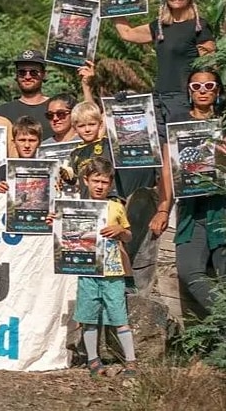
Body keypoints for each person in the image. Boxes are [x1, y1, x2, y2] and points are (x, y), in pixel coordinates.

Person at [95, 0, 216, 137]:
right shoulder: (160, 25)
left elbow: (209, 68)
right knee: (163, 152)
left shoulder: (199, 27)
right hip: (158, 98)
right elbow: (127, 33)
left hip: (183, 99)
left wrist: (203, 106)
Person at [49, 156, 137, 377]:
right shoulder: (76, 205)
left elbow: (128, 235)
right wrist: (55, 220)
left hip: (113, 271)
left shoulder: (116, 207)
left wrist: (120, 231)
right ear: (86, 181)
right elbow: (64, 229)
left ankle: (131, 361)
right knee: (88, 317)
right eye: (96, 181)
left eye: (105, 182)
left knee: (119, 316)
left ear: (110, 184)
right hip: (87, 271)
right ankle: (93, 360)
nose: (100, 186)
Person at [163, 67, 226, 313]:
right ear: (189, 91)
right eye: (196, 86)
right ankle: (222, 319)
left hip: (222, 208)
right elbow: (169, 167)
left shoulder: (224, 120)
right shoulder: (178, 121)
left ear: (218, 90)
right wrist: (161, 208)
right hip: (191, 210)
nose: (203, 91)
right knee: (189, 271)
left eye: (209, 86)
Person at [0, 50, 52, 139]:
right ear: (16, 75)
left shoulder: (58, 110)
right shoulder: (2, 111)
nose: (27, 77)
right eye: (22, 72)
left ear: (43, 74)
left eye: (34, 72)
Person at [0, 116, 43, 193]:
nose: (27, 145)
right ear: (14, 142)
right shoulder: (4, 170)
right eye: (22, 140)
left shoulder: (47, 170)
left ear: (39, 143)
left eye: (32, 140)